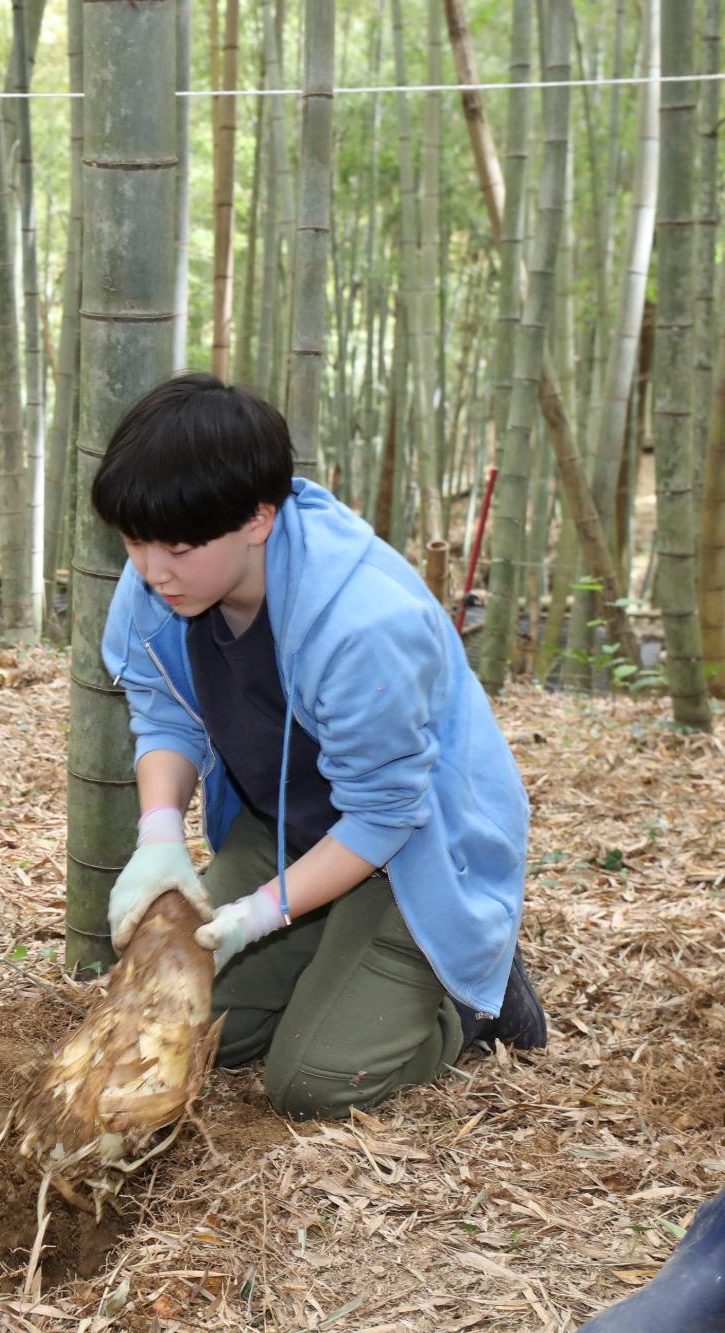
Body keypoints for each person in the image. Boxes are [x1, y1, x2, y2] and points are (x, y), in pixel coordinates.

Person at [93, 373, 546, 1121]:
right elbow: (165, 714)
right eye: (135, 541)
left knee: (316, 1081)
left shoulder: (364, 623)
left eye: (176, 546)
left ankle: (470, 1002)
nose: (151, 569)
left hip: (413, 853)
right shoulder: (162, 582)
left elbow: (383, 816)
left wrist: (260, 915)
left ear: (258, 518)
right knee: (181, 1024)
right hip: (288, 828)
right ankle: (334, 949)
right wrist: (160, 835)